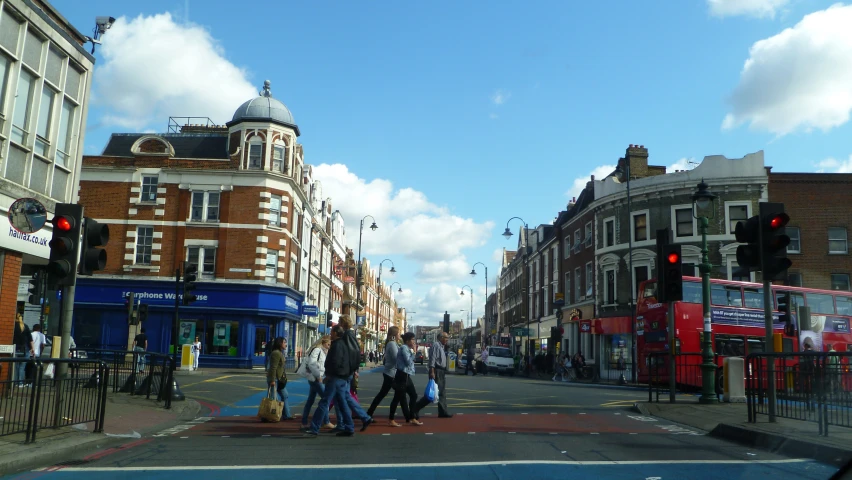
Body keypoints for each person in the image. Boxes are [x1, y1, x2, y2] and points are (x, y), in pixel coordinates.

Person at [303, 323, 365, 437]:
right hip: (342, 377)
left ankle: (314, 428)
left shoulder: (336, 345)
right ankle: (350, 427)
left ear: (336, 333)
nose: (330, 333)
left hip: (335, 378)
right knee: (343, 403)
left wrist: (328, 375)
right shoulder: (344, 344)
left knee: (324, 402)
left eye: (332, 331)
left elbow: (334, 362)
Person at [367, 326, 403, 427]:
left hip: (391, 373)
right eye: (399, 333)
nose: (400, 335)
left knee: (384, 395)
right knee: (396, 395)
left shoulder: (394, 344)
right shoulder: (392, 344)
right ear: (395, 335)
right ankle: (391, 419)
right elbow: (397, 358)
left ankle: (368, 414)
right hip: (390, 374)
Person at [413, 331, 452, 418]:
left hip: (441, 371)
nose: (447, 340)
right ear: (441, 338)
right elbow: (433, 359)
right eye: (446, 338)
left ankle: (443, 412)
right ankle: (416, 407)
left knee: (442, 392)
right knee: (432, 393)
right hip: (437, 370)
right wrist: (432, 371)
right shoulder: (436, 345)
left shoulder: (441, 346)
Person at [301, 335, 335, 430]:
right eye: (329, 343)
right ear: (324, 342)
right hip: (316, 378)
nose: (330, 345)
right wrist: (318, 376)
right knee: (326, 399)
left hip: (314, 378)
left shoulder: (322, 350)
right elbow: (312, 364)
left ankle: (304, 422)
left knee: (310, 400)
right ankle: (326, 421)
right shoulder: (317, 350)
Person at [392, 332, 424, 426]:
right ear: (407, 340)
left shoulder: (407, 348)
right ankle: (391, 419)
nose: (414, 341)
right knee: (397, 398)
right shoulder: (404, 348)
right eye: (413, 339)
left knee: (413, 395)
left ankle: (411, 417)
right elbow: (408, 362)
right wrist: (414, 352)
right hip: (402, 375)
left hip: (406, 375)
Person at [266, 336, 293, 420]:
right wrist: (273, 380)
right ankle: (269, 416)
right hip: (276, 379)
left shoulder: (279, 352)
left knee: (285, 395)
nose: (286, 344)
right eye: (284, 342)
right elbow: (273, 367)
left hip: (280, 379)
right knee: (272, 398)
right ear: (280, 343)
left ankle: (286, 415)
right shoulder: (276, 353)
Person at [13, 314, 33, 387]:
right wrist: (32, 349)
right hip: (25, 349)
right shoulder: (25, 326)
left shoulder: (13, 326)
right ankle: (20, 383)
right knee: (22, 367)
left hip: (15, 348)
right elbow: (30, 339)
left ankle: (14, 382)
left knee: (15, 366)